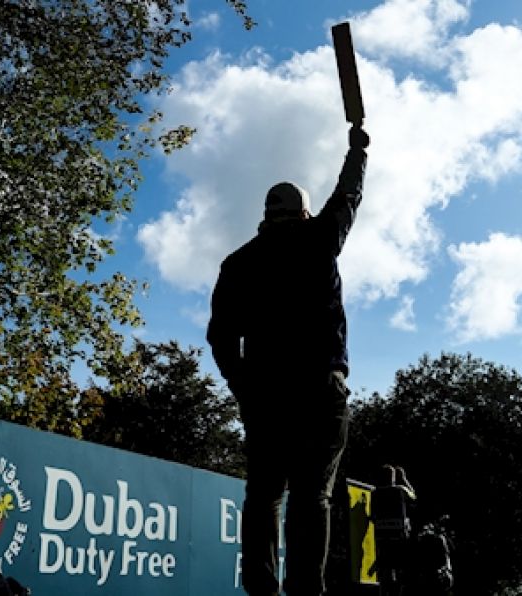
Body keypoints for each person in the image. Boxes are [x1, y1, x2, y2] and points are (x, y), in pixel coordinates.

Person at [207, 123, 369, 596]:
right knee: (311, 497)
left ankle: (260, 590)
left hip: (267, 395)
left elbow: (221, 337)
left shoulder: (237, 264)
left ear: (264, 215)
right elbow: (348, 196)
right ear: (303, 211)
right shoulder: (320, 239)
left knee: (263, 498)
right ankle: (304, 591)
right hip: (320, 389)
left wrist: (243, 387)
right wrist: (357, 151)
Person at [370, 464, 417, 596]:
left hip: (381, 536)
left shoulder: (374, 493)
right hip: (399, 535)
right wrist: (405, 478)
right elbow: (414, 496)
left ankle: (385, 590)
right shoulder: (400, 490)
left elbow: (372, 515)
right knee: (400, 567)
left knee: (385, 568)